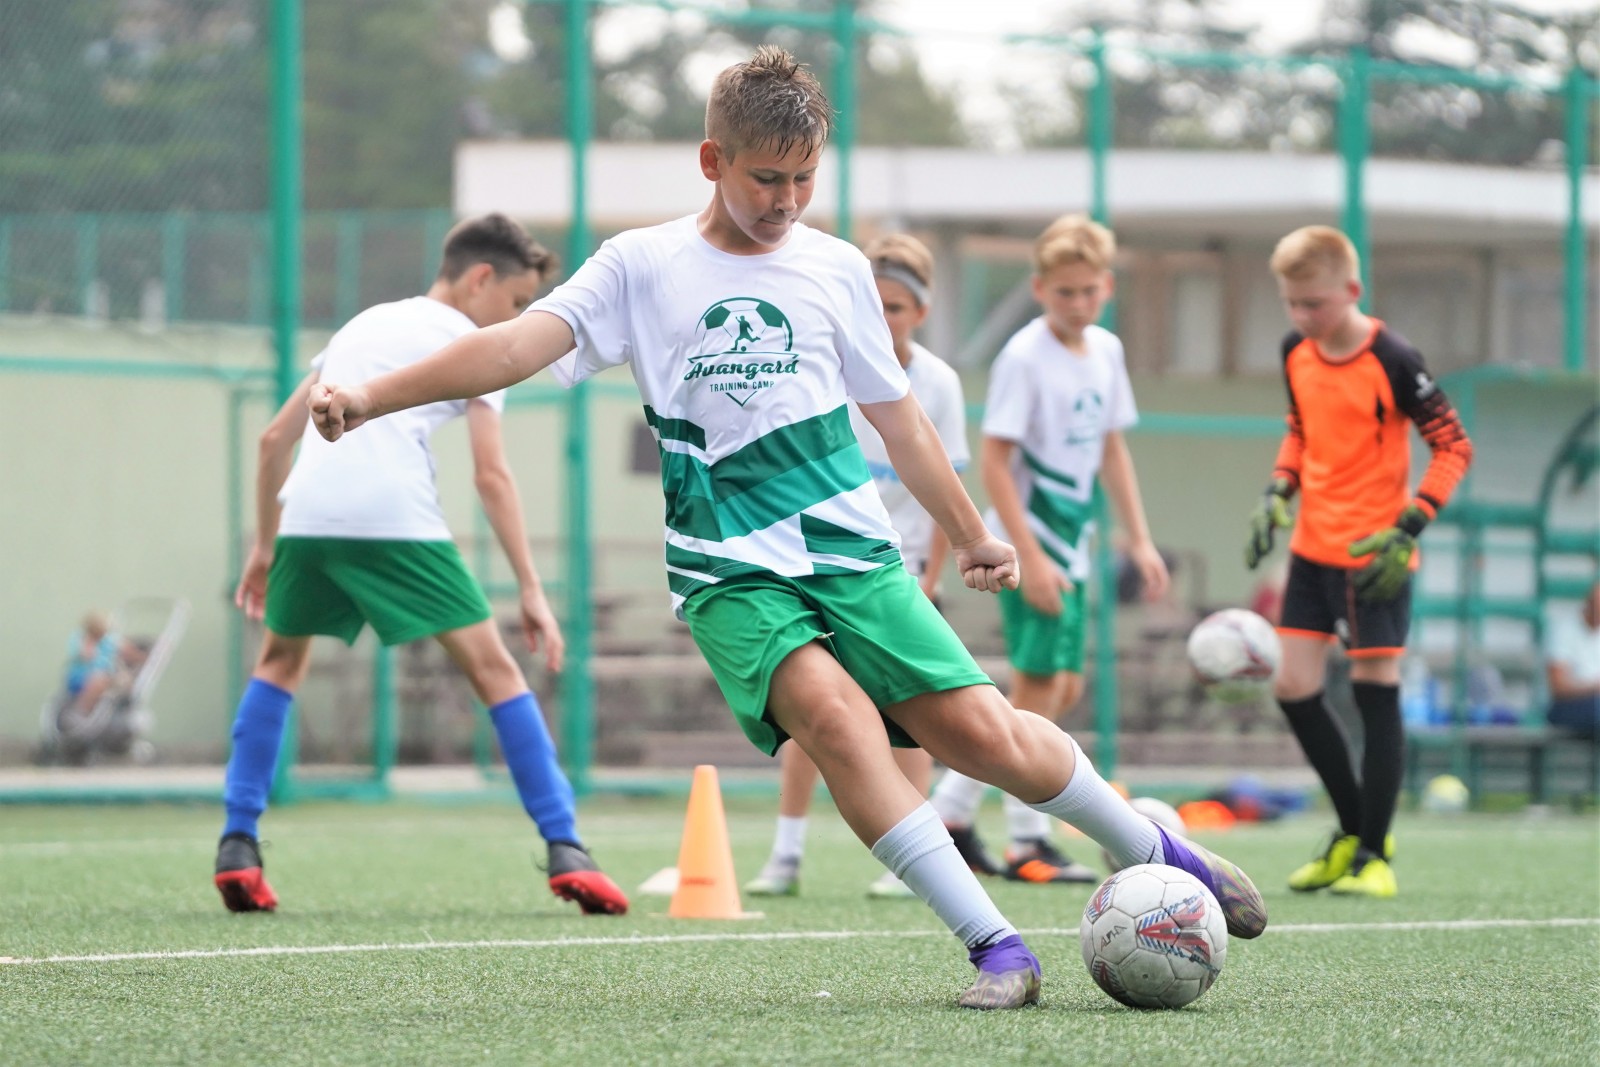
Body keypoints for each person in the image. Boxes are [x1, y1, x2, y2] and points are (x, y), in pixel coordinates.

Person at [308, 47, 1265, 1010]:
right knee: (841, 727)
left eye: (805, 178)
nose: (786, 199)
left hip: (853, 553)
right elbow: (510, 347)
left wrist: (971, 530)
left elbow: (899, 417)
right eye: (766, 177)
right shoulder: (639, 265)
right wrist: (374, 396)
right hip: (728, 571)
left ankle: (1159, 848)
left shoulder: (838, 269)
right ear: (711, 160)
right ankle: (997, 948)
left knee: (983, 735)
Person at [215, 213, 628, 918]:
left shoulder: (361, 324)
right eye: (518, 303)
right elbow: (491, 476)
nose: (519, 318)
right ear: (480, 279)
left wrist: (264, 545)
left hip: (308, 513)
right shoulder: (477, 344)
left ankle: (237, 844)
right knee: (496, 672)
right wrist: (531, 588)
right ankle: (566, 847)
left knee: (279, 664)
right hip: (393, 515)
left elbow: (271, 440)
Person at [928, 214, 1169, 886]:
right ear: (1038, 288)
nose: (1079, 303)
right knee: (1038, 685)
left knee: (1061, 685)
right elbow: (998, 463)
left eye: (1090, 291)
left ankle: (951, 809)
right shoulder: (1024, 357)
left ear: (1107, 287)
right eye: (1065, 291)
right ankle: (1027, 838)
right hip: (1030, 539)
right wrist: (1027, 557)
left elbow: (1112, 448)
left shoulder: (1108, 352)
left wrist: (1139, 537)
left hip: (1076, 542)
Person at [1245, 224, 1473, 899]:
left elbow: (1454, 446)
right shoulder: (1297, 351)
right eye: (1291, 304)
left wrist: (1411, 526)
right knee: (1293, 687)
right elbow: (1299, 430)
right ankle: (1354, 829)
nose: (1302, 317)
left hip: (1379, 555)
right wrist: (1279, 487)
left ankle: (1375, 853)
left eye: (1314, 303)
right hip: (1312, 549)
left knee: (1377, 693)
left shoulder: (1395, 357)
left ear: (1352, 289)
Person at [743, 233, 968, 901]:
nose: (884, 314)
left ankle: (913, 862)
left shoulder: (939, 384)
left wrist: (926, 581)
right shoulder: (824, 367)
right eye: (873, 301)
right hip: (822, 565)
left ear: (919, 311)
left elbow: (942, 481)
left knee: (917, 714)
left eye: (896, 306)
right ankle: (785, 855)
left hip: (898, 573)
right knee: (817, 715)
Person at [1546, 580, 1600, 738]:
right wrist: (1595, 687)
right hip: (1565, 706)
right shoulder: (1564, 631)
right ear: (1589, 605)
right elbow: (1558, 688)